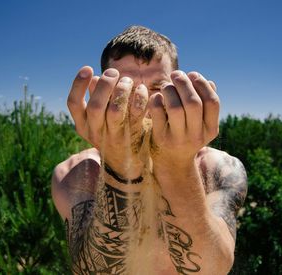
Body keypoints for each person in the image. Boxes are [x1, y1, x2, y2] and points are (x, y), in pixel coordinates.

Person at [52, 25, 247, 275]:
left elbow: (212, 268)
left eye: (158, 89)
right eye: (127, 89)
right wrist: (120, 165)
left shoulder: (216, 168)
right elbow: (93, 270)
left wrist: (176, 166)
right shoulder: (78, 173)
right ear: (105, 94)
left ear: (178, 91)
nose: (142, 105)